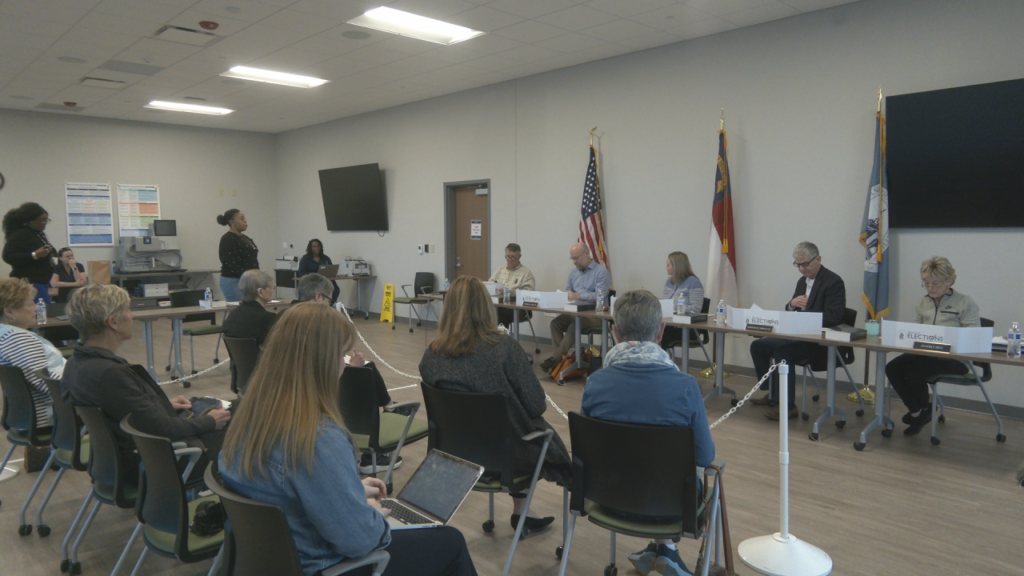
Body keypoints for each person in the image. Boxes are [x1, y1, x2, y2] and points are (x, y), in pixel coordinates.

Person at [219, 303, 478, 576]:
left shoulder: (249, 418)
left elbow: (287, 491)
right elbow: (360, 541)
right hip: (324, 567)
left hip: (269, 564)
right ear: (322, 362)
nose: (344, 363)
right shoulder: (319, 438)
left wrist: (348, 491)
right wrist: (372, 513)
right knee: (450, 541)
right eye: (341, 354)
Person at [419, 276, 571, 532]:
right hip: (508, 455)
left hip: (456, 452)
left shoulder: (431, 355)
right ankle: (522, 510)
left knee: (506, 424)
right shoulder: (503, 348)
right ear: (485, 307)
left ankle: (524, 511)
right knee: (528, 427)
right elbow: (536, 405)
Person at [582, 290, 714, 576]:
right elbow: (705, 457)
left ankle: (662, 550)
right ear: (661, 330)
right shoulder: (686, 387)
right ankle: (666, 550)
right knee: (688, 478)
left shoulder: (595, 383)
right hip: (671, 507)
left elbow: (587, 452)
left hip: (607, 500)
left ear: (615, 332)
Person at [61, 284, 231, 485]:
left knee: (230, 410)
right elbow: (162, 428)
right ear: (113, 322)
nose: (132, 316)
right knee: (237, 423)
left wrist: (158, 404)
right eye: (127, 310)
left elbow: (123, 409)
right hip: (151, 465)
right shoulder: (110, 374)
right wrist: (209, 421)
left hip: (114, 462)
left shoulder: (76, 364)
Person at [294, 273, 402, 473]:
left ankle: (387, 407)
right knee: (361, 375)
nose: (330, 303)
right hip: (317, 401)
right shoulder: (317, 326)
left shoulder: (286, 320)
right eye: (329, 299)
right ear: (318, 296)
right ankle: (371, 452)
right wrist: (351, 368)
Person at [750, 241, 845, 420]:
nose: (801, 269)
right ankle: (773, 393)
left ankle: (788, 406)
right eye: (798, 264)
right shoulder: (802, 281)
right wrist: (790, 304)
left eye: (805, 264)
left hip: (819, 342)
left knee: (782, 352)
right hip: (798, 336)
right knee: (758, 345)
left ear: (818, 259)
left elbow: (835, 317)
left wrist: (805, 316)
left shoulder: (833, 282)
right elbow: (792, 311)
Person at [886, 257, 980, 436]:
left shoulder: (965, 302)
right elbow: (915, 331)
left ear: (949, 281)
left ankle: (921, 411)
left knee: (914, 371)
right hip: (926, 353)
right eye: (926, 283)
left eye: (935, 283)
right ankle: (919, 410)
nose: (930, 288)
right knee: (892, 367)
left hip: (954, 359)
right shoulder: (923, 302)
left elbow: (973, 337)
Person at [0, 279, 63, 427]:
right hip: (51, 414)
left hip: (31, 414)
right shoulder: (17, 338)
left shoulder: (6, 334)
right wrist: (83, 388)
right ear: (9, 312)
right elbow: (46, 383)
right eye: (30, 304)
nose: (36, 308)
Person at [539, 242, 611, 372]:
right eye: (572, 258)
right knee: (556, 323)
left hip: (596, 315)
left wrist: (578, 296)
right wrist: (562, 296)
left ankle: (555, 359)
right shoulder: (573, 273)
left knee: (575, 324)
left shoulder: (601, 272)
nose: (574, 262)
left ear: (586, 254)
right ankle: (561, 360)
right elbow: (568, 290)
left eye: (576, 258)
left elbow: (600, 295)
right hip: (575, 311)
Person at [2, 202, 57, 304]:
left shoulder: (38, 234)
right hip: (31, 282)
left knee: (46, 310)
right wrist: (34, 255)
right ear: (30, 220)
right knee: (42, 311)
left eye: (46, 220)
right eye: (41, 220)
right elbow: (8, 256)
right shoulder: (20, 234)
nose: (44, 223)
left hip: (44, 281)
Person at [660, 251, 705, 348]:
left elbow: (695, 309)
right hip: (670, 324)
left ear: (676, 266)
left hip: (688, 328)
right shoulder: (669, 282)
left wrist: (674, 308)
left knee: (660, 332)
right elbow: (665, 304)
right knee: (648, 329)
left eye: (668, 265)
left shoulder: (694, 282)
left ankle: (659, 357)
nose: (666, 267)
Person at [222, 269, 277, 348]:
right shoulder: (267, 318)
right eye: (271, 287)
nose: (272, 290)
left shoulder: (232, 316)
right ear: (260, 292)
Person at [487, 243, 536, 327]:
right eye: (508, 256)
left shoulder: (526, 273)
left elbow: (529, 293)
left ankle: (501, 335)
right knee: (483, 311)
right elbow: (490, 283)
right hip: (499, 303)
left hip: (519, 308)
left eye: (513, 257)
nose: (510, 259)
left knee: (500, 314)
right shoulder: (500, 269)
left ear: (519, 257)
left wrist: (510, 291)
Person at [217, 209, 258, 302]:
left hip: (248, 280)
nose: (245, 221)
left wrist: (257, 277)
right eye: (241, 219)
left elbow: (252, 259)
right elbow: (232, 264)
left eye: (244, 218)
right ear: (232, 222)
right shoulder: (227, 239)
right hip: (234, 280)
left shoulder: (245, 238)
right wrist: (249, 279)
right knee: (240, 308)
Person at [297, 238, 340, 303]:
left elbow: (331, 269)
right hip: (312, 282)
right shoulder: (305, 259)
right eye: (314, 246)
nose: (316, 248)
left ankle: (328, 305)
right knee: (319, 291)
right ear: (310, 248)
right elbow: (301, 273)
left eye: (318, 246)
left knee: (336, 289)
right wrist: (315, 274)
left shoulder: (325, 258)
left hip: (325, 280)